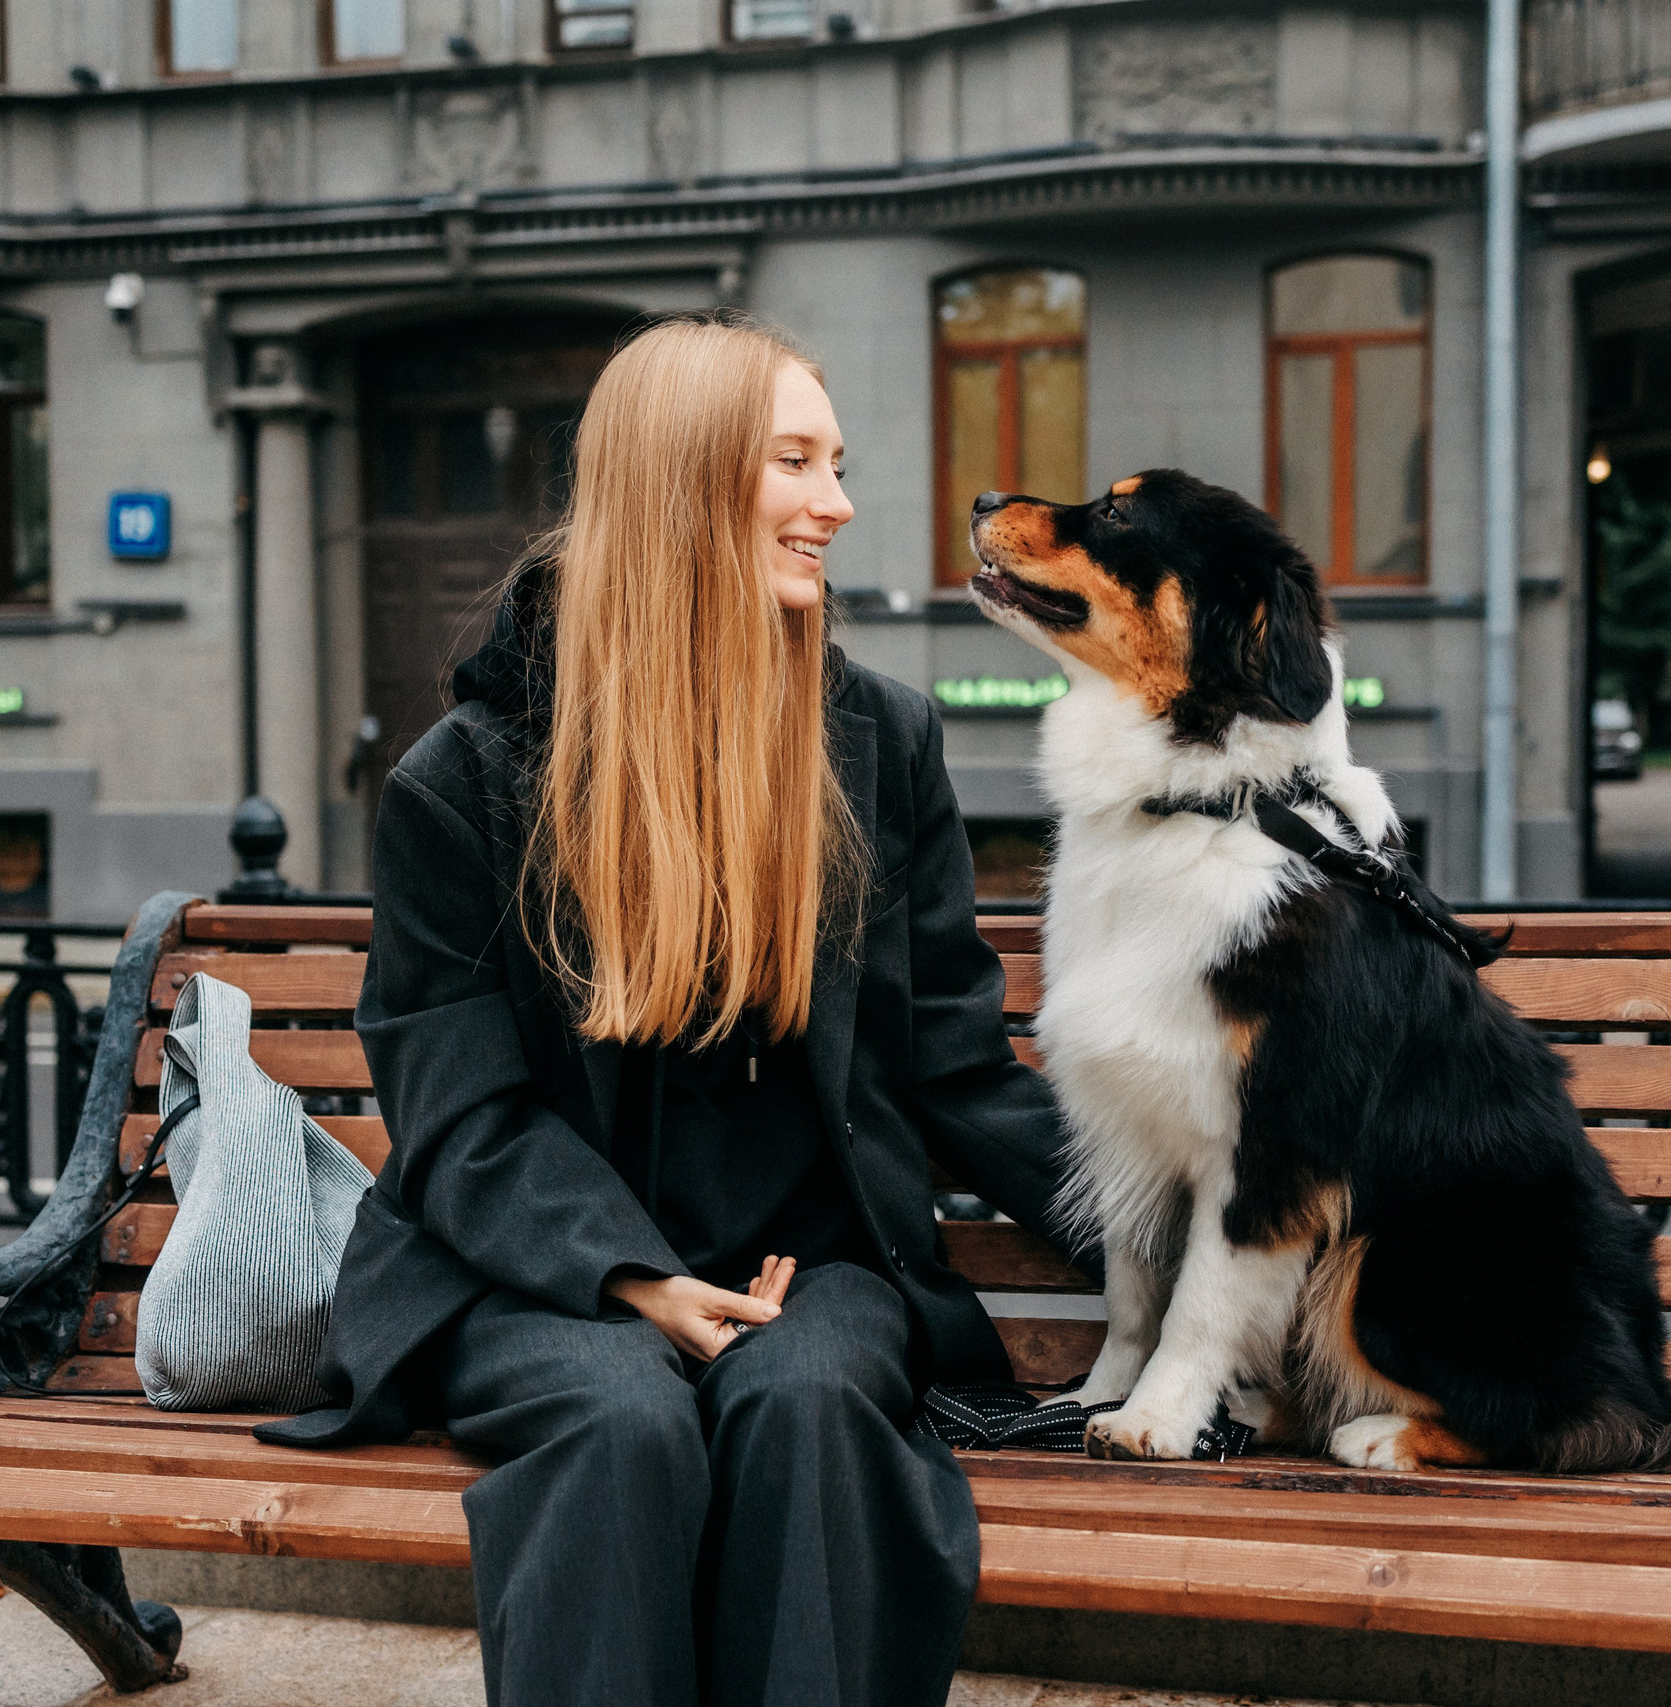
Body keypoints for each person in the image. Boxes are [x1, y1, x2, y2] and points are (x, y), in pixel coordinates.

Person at [258, 313, 1072, 1707]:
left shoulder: (880, 742)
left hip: (810, 1272)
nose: (840, 504)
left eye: (838, 463)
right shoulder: (466, 780)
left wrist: (1211, 1232)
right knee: (621, 1420)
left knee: (808, 1407)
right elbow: (460, 1116)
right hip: (537, 1275)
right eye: (796, 463)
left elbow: (955, 1065)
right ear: (684, 481)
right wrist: (634, 1279)